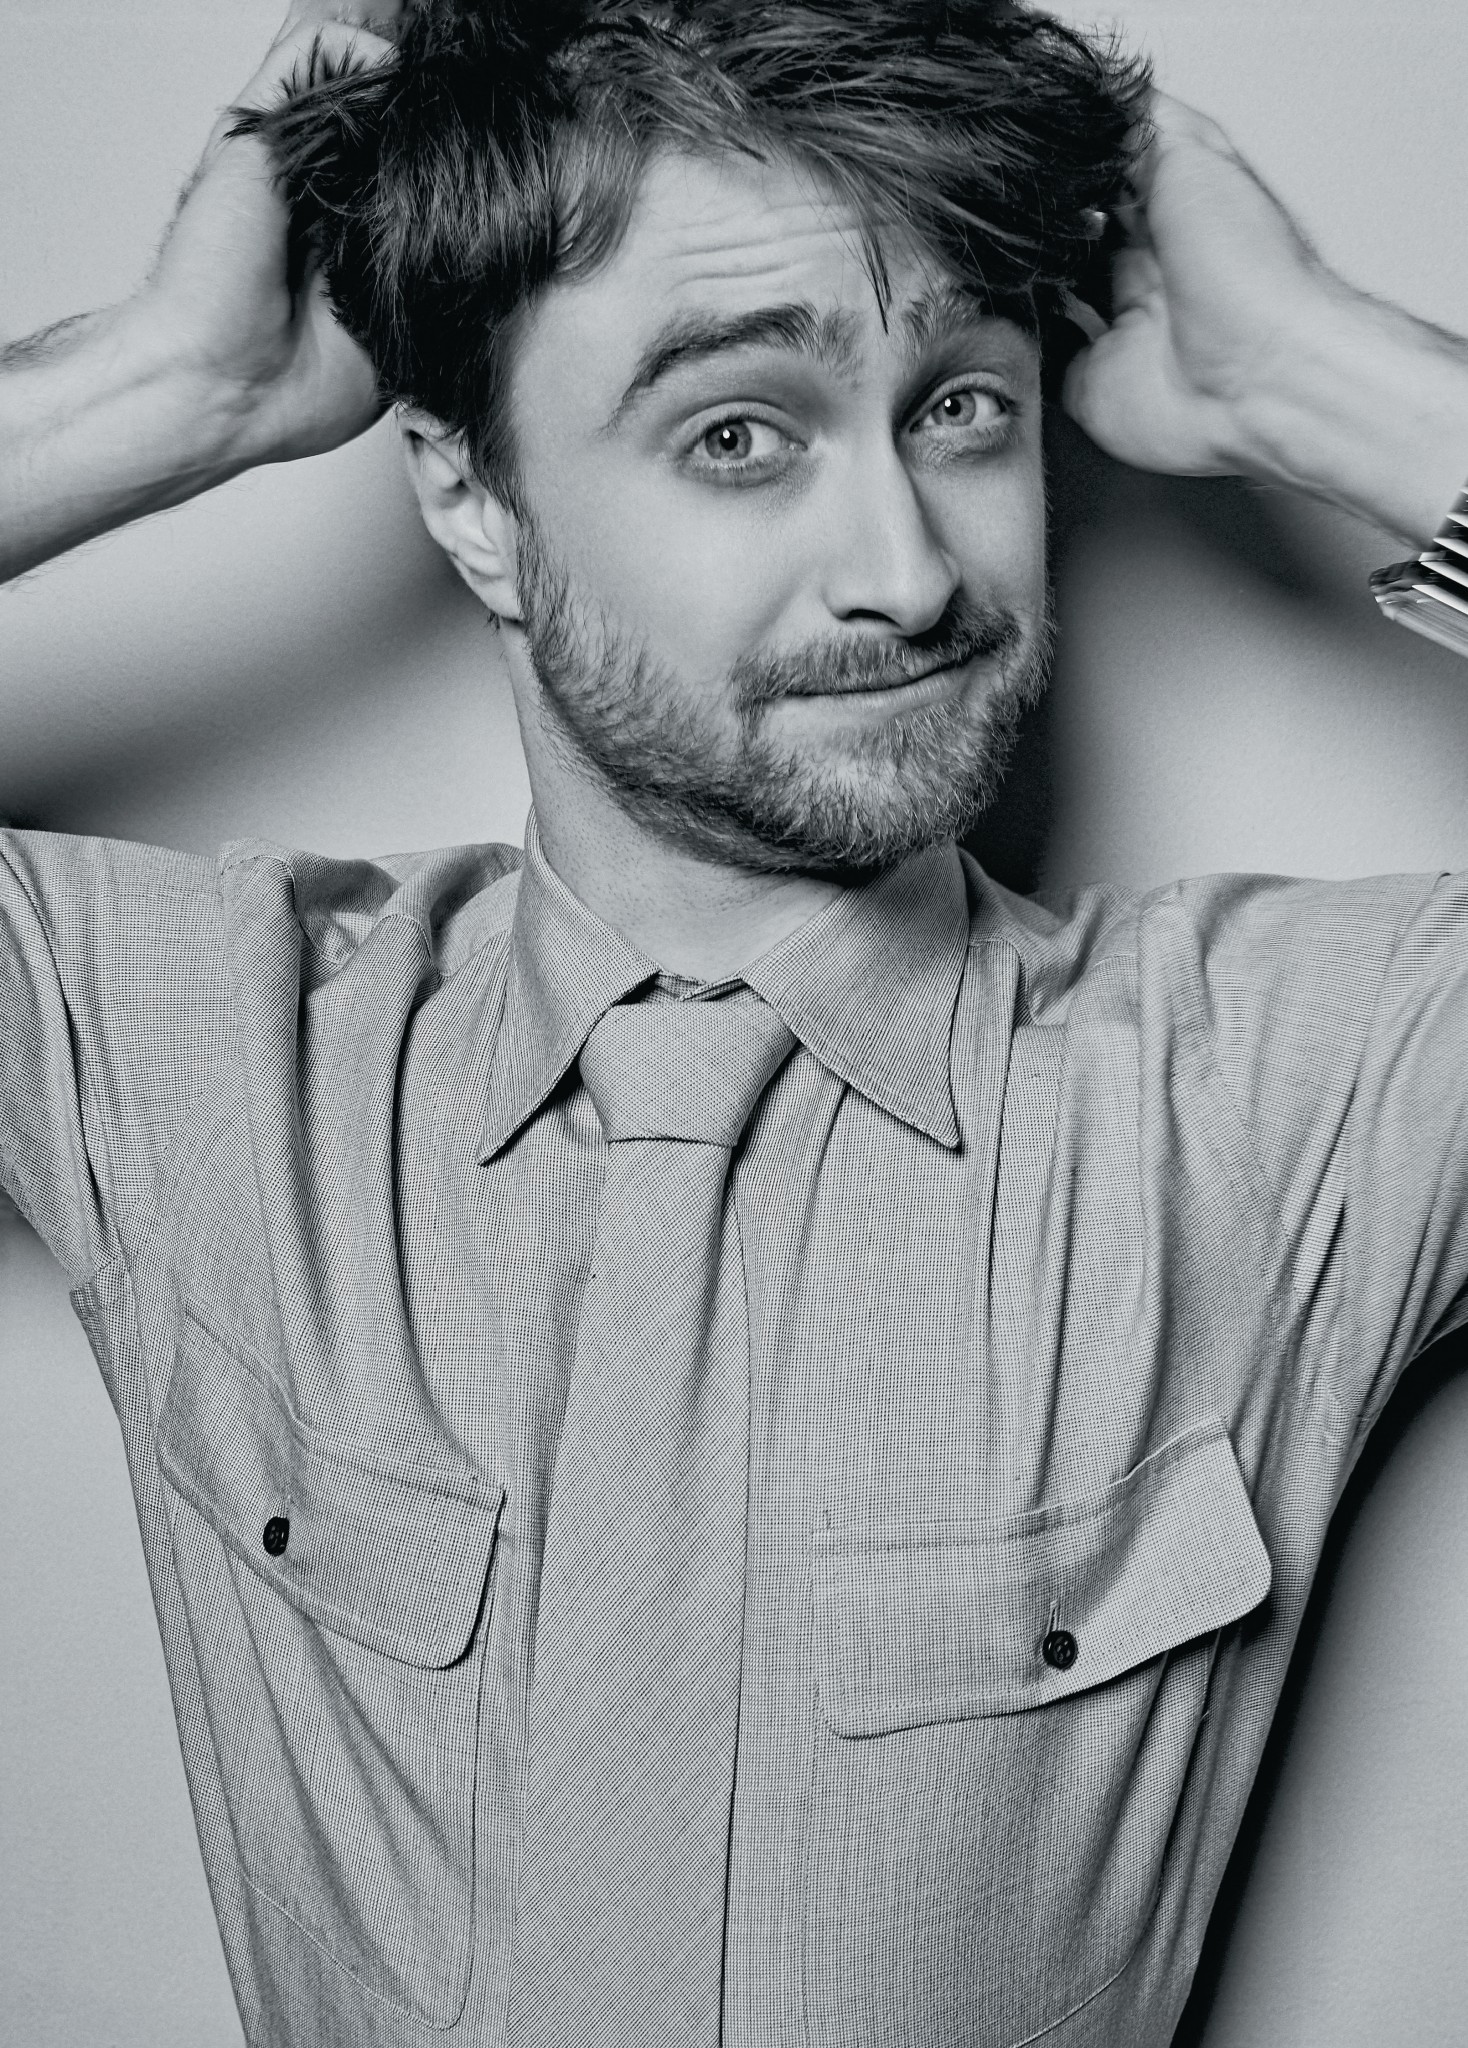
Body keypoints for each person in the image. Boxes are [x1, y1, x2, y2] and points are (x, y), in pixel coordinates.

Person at [2, 3, 1466, 2045]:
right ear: (472, 501)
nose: (906, 572)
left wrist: (1308, 377)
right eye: (736, 435)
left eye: (961, 408)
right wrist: (162, 391)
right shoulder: (193, 1048)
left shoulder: (1287, 1084)